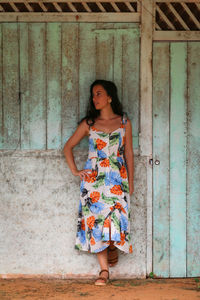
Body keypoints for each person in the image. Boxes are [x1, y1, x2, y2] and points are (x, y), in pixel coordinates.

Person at [63, 79, 134, 285]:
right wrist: (76, 171)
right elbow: (68, 147)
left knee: (116, 219)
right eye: (93, 95)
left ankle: (112, 246)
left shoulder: (124, 122)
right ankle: (104, 271)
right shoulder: (89, 124)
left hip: (118, 179)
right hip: (93, 182)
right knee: (96, 223)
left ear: (110, 96)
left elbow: (128, 152)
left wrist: (131, 181)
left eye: (99, 93)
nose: (95, 98)